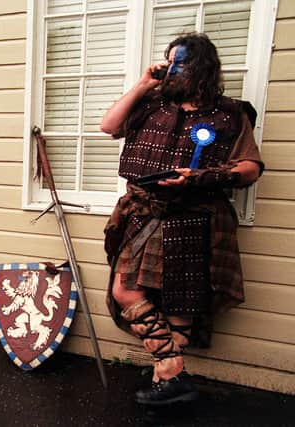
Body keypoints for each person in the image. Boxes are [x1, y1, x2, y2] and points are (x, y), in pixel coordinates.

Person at [100, 33, 263, 406]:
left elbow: (250, 168)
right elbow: (108, 126)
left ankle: (166, 380)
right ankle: (173, 368)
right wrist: (143, 83)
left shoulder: (230, 114)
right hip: (144, 214)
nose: (173, 69)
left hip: (194, 216)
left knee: (181, 304)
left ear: (202, 68)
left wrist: (201, 177)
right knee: (125, 289)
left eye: (181, 62)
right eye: (169, 61)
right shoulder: (150, 103)